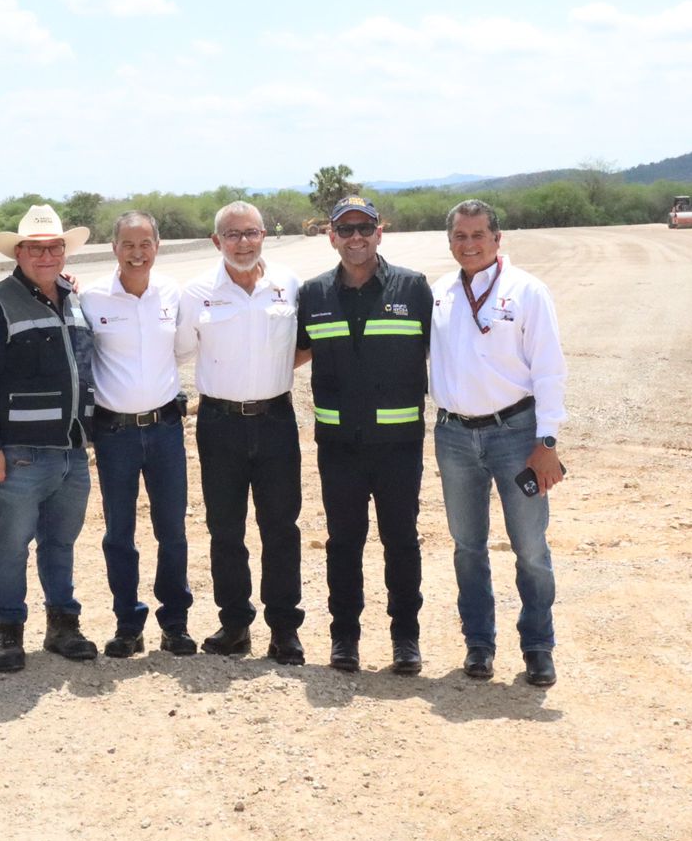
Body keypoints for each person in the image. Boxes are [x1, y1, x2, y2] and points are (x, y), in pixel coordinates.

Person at [430, 199, 567, 687]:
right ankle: (479, 645)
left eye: (478, 235)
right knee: (468, 546)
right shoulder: (440, 294)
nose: (469, 245)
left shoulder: (527, 291)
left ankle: (538, 647)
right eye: (460, 236)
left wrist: (546, 442)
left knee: (529, 547)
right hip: (453, 436)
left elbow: (549, 369)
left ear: (497, 238)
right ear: (450, 241)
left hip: (516, 435)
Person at [295, 195, 432, 675]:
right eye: (346, 229)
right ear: (331, 236)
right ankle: (345, 638)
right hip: (338, 447)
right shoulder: (313, 294)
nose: (356, 237)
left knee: (402, 541)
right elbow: (289, 354)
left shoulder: (413, 288)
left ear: (380, 232)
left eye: (364, 228)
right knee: (343, 543)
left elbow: (447, 351)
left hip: (399, 446)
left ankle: (405, 639)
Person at [0, 203, 100, 672]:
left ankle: (63, 625)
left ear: (64, 251)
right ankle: (8, 632)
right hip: (20, 454)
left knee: (61, 542)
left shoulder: (76, 298)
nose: (46, 256)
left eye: (53, 248)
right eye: (35, 248)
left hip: (71, 451)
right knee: (11, 544)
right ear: (19, 253)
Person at [175, 200, 306, 664]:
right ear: (217, 241)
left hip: (276, 421)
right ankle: (234, 624)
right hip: (220, 424)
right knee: (225, 529)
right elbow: (178, 351)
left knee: (281, 527)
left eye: (251, 232)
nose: (243, 242)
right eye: (232, 235)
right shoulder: (196, 293)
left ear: (264, 235)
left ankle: (284, 630)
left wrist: (268, 371)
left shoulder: (289, 285)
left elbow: (304, 345)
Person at [80, 211, 196, 658]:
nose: (137, 253)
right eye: (128, 244)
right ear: (114, 248)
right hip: (115, 435)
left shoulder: (172, 294)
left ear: (157, 246)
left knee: (173, 531)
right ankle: (128, 623)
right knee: (119, 533)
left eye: (145, 243)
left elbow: (181, 350)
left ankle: (175, 623)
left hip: (165, 430)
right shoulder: (91, 298)